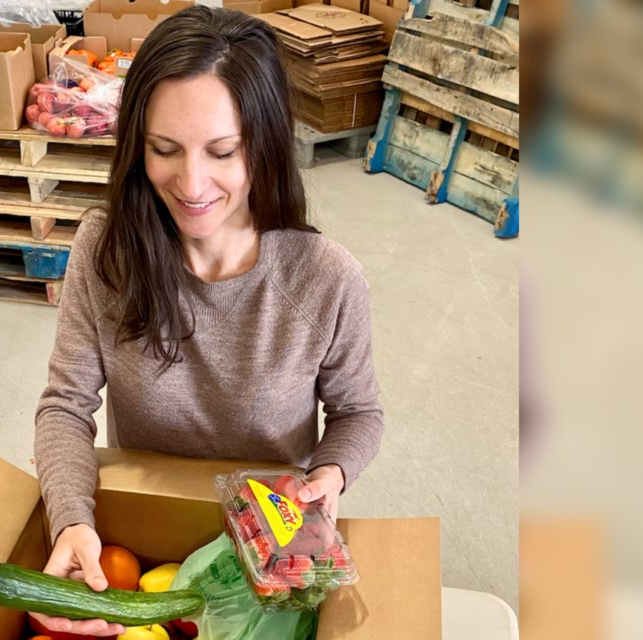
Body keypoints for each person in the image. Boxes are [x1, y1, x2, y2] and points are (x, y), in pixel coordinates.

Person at [32, 5, 383, 636]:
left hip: (268, 550)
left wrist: (330, 474)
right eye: (164, 150)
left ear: (266, 146)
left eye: (222, 152)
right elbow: (65, 405)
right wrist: (72, 520)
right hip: (142, 535)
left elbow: (360, 414)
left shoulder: (326, 278)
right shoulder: (105, 253)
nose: (191, 184)